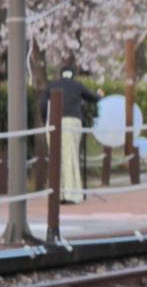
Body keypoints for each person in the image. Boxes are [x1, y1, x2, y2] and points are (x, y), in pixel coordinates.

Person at [38, 65, 103, 204]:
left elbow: (43, 105)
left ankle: (57, 193)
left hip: (53, 122)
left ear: (60, 74)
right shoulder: (77, 85)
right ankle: (71, 193)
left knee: (55, 156)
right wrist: (99, 95)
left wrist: (47, 121)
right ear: (73, 75)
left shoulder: (52, 85)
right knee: (71, 155)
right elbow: (93, 97)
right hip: (73, 121)